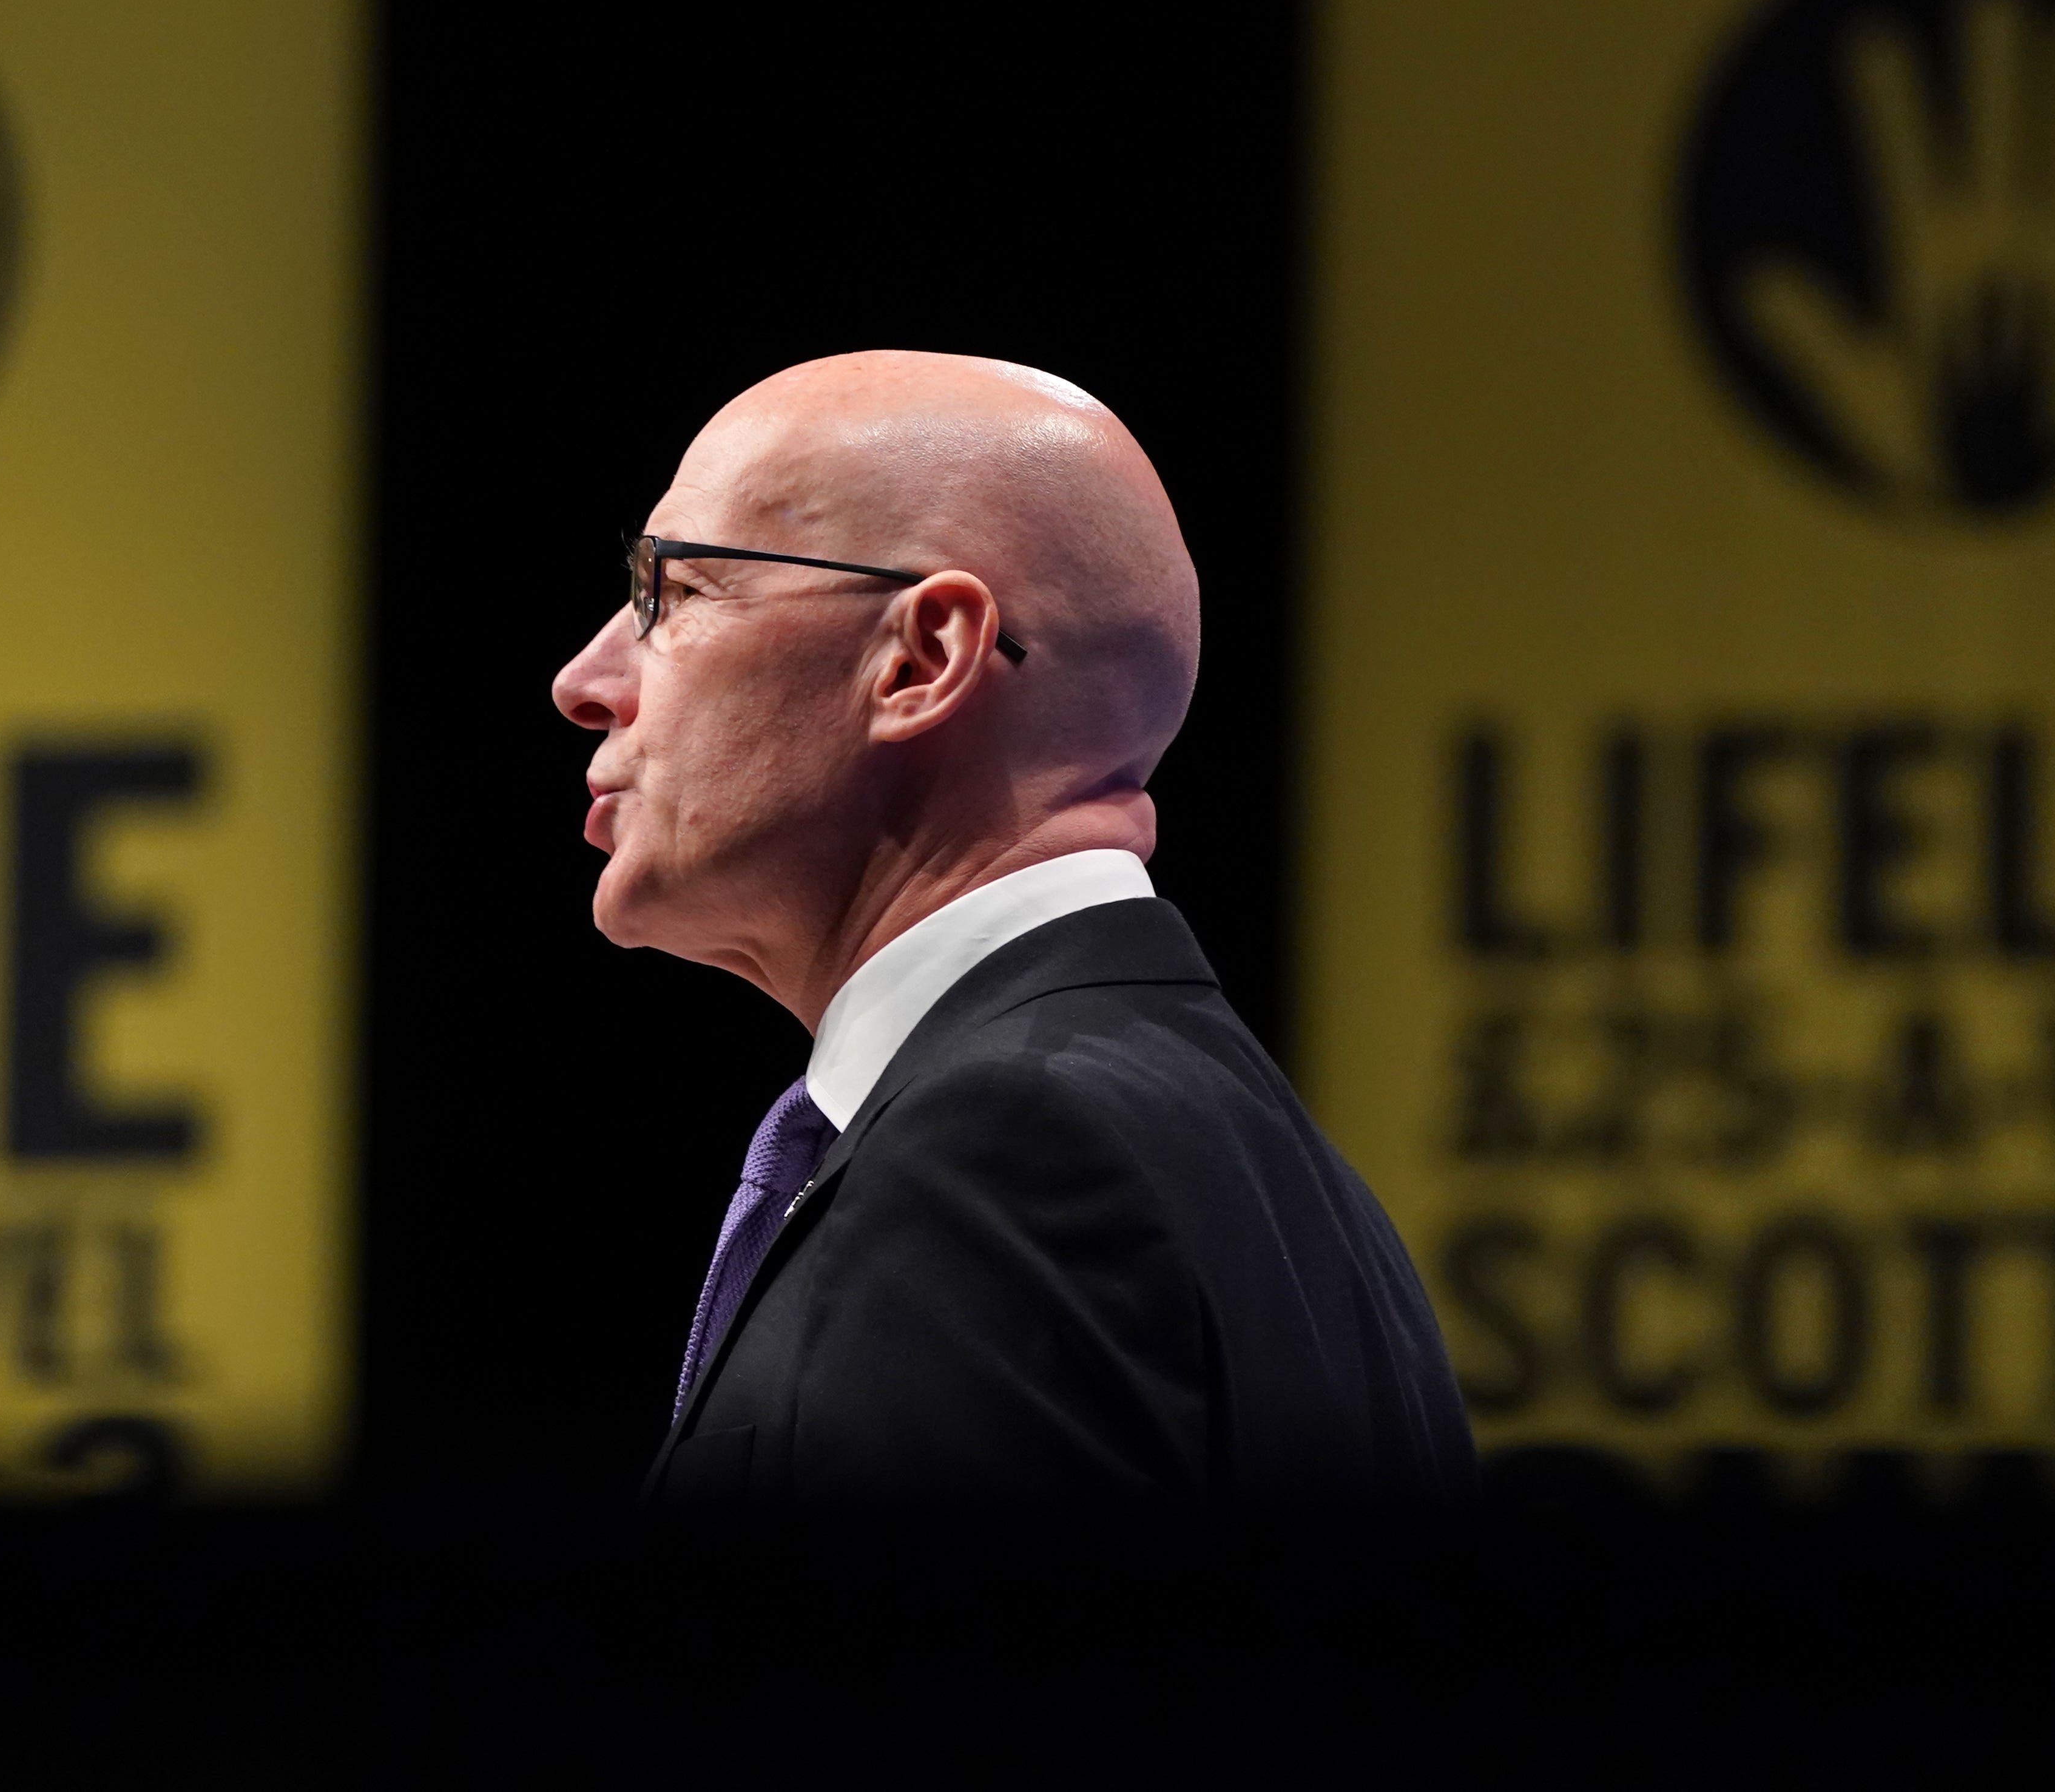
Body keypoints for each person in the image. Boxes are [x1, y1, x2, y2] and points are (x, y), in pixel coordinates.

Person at [551, 350, 1473, 1504]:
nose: (584, 681)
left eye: (672, 592)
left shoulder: (1001, 1156)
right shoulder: (1285, 1189)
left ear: (920, 659)